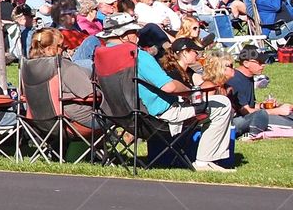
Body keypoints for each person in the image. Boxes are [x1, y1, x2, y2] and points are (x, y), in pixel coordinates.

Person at [98, 13, 234, 172]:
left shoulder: (101, 58)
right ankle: (204, 161)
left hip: (119, 118)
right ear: (125, 35)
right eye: (134, 32)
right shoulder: (136, 56)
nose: (137, 36)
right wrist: (190, 91)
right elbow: (169, 87)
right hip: (156, 119)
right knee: (222, 104)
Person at [25, 27, 95, 126]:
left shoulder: (28, 67)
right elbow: (90, 94)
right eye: (61, 46)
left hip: (39, 122)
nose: (64, 49)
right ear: (49, 49)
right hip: (74, 121)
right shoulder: (63, 66)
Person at [227, 46, 293, 132]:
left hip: (250, 116)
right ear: (246, 63)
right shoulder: (235, 80)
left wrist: (263, 106)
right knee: (289, 123)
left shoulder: (248, 77)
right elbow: (246, 111)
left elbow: (250, 106)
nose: (263, 65)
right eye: (259, 62)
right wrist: (278, 111)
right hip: (239, 121)